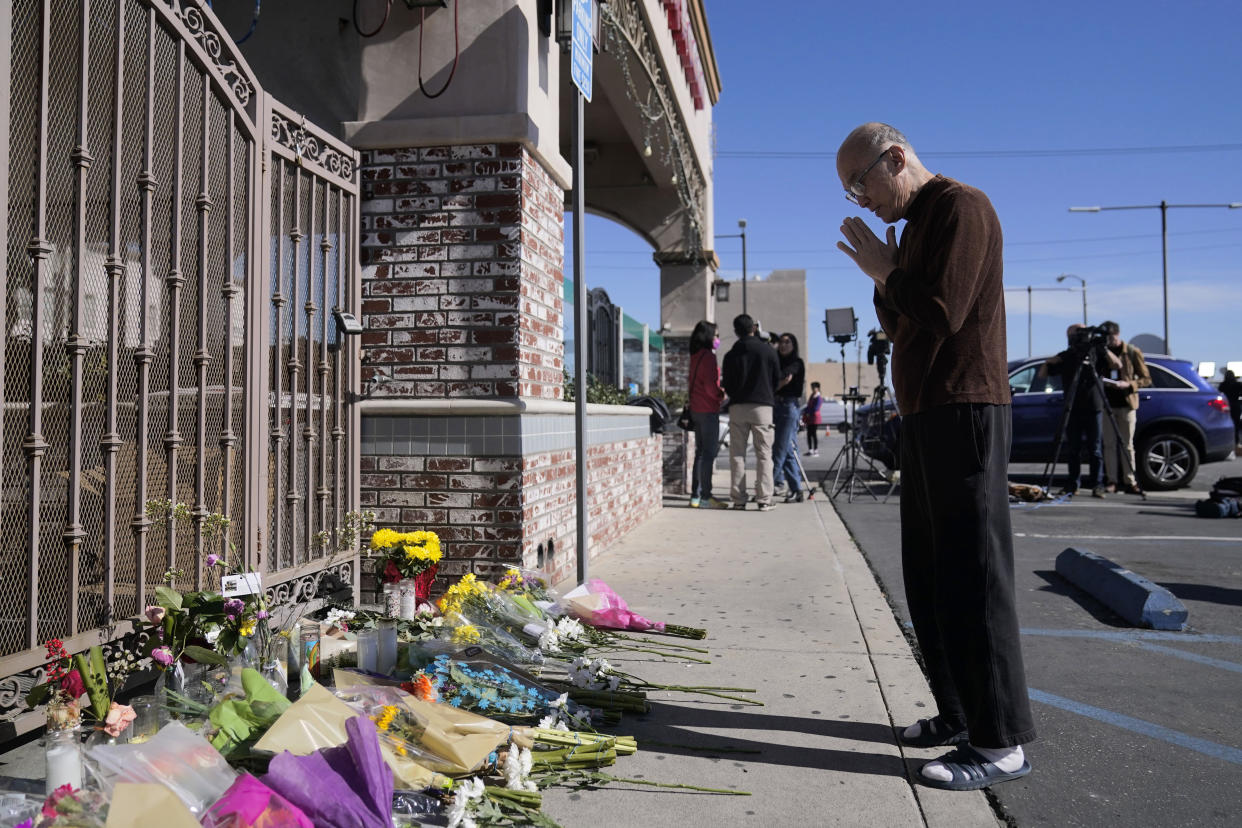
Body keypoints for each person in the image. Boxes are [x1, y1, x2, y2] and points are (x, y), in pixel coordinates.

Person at [836, 122, 1035, 790]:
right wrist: (883, 277)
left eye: (860, 183)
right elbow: (903, 324)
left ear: (894, 159)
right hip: (925, 414)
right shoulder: (914, 227)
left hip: (966, 408)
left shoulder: (960, 206)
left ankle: (1000, 741)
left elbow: (945, 312)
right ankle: (958, 715)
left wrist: (887, 271)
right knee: (929, 575)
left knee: (974, 577)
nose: (859, 200)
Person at [721, 313, 781, 512]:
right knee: (764, 454)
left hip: (737, 406)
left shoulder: (731, 354)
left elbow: (726, 384)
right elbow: (776, 379)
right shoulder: (768, 351)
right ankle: (764, 499)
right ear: (753, 328)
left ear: (736, 331)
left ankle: (739, 499)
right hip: (762, 406)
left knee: (737, 454)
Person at [1042, 324, 1109, 498]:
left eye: (1079, 334)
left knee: (1095, 449)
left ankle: (1098, 484)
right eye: (1074, 335)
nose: (1077, 338)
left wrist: (1102, 346)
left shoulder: (1096, 353)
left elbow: (1117, 365)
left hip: (1094, 407)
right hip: (1073, 409)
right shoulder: (1067, 356)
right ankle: (1073, 484)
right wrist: (1050, 360)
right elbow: (1043, 374)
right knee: (1074, 449)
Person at [1098, 321, 1150, 495]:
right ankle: (1112, 480)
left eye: (1112, 337)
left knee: (1127, 444)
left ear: (1118, 334)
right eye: (1107, 338)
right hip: (1108, 404)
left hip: (1126, 404)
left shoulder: (1132, 352)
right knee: (1109, 444)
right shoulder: (1102, 352)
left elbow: (1146, 378)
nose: (1110, 341)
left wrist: (1129, 384)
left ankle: (1130, 480)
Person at [686, 321, 728, 509]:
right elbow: (711, 387)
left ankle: (695, 496)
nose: (718, 339)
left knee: (700, 453)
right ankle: (706, 496)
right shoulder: (709, 357)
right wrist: (721, 395)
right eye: (716, 335)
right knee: (708, 454)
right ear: (709, 336)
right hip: (708, 409)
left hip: (695, 409)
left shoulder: (695, 356)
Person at [772, 333, 806, 502]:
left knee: (779, 449)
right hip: (775, 407)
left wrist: (778, 385)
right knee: (788, 449)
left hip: (788, 408)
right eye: (781, 342)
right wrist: (778, 385)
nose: (783, 345)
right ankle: (796, 489)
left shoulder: (797, 363)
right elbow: (773, 380)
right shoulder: (775, 361)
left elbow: (783, 376)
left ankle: (767, 484)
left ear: (794, 345)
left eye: (787, 342)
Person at [1220, 369, 1242, 449]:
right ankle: (1236, 442)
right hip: (1235, 406)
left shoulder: (1222, 385)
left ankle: (1225, 442)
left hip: (1225, 406)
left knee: (1225, 424)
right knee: (1236, 425)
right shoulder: (1238, 384)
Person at [803, 382, 824, 457]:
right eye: (812, 387)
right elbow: (808, 406)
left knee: (814, 434)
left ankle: (816, 450)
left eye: (814, 387)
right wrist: (805, 412)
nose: (812, 389)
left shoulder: (819, 397)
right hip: (809, 417)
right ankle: (810, 450)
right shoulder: (812, 396)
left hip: (815, 417)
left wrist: (809, 412)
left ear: (817, 388)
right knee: (809, 434)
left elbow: (816, 408)